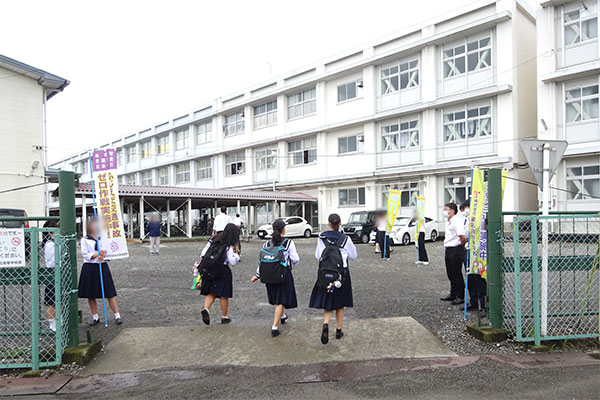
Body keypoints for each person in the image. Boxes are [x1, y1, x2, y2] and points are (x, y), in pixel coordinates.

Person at [309, 213, 357, 344]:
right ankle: (338, 330)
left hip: (325, 273)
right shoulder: (345, 238)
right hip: (342, 273)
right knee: (340, 303)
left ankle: (325, 324)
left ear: (329, 224)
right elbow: (354, 255)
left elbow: (318, 255)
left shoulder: (321, 237)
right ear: (340, 223)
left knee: (328, 302)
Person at [250, 219, 300, 337]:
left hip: (269, 274)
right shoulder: (288, 243)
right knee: (280, 300)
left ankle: (282, 316)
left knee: (277, 298)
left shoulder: (266, 244)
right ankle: (274, 327)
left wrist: (257, 275)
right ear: (283, 229)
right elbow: (295, 259)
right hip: (283, 274)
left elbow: (262, 261)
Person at [78, 219, 122, 326]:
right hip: (90, 267)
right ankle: (95, 317)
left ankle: (117, 315)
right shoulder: (84, 239)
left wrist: (104, 255)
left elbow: (110, 251)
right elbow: (85, 253)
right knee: (91, 294)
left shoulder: (104, 238)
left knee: (109, 292)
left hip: (102, 266)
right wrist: (96, 255)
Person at [199, 223, 240, 325]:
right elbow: (232, 261)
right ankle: (224, 316)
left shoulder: (213, 239)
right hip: (223, 270)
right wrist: (237, 254)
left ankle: (206, 308)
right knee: (223, 295)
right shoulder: (229, 245)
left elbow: (203, 253)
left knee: (211, 292)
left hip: (210, 268)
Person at [461, 200, 487, 317]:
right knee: (470, 278)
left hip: (477, 252)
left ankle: (484, 306)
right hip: (469, 251)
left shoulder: (479, 219)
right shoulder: (467, 220)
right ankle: (474, 302)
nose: (464, 212)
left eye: (465, 208)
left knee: (479, 280)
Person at [441, 203, 466, 306]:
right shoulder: (449, 221)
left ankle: (460, 296)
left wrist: (462, 247)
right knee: (450, 272)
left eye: (446, 209)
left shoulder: (456, 220)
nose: (444, 211)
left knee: (456, 273)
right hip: (449, 248)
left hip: (456, 248)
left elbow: (462, 236)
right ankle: (453, 293)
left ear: (451, 210)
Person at [43, 223, 57, 332]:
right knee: (52, 300)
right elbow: (52, 261)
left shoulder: (56, 242)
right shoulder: (50, 244)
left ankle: (58, 321)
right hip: (52, 273)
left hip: (59, 272)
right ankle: (52, 324)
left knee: (58, 299)